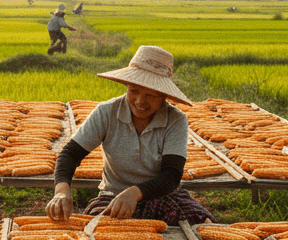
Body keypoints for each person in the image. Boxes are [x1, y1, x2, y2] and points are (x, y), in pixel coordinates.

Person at [47, 45, 215, 225]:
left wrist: (135, 192)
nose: (140, 101)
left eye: (151, 95)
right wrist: (62, 190)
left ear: (164, 97)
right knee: (99, 230)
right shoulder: (106, 112)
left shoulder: (176, 120)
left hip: (162, 194)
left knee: (201, 225)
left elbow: (171, 175)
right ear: (126, 86)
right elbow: (70, 155)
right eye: (134, 91)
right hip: (113, 195)